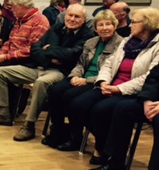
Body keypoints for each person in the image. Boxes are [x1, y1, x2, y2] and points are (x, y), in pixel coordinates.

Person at [67, 7, 159, 169]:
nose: (130, 25)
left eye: (134, 22)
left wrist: (119, 89)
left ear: (147, 24)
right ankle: (105, 145)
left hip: (131, 90)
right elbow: (109, 63)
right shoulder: (128, 40)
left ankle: (105, 152)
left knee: (100, 110)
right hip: (112, 85)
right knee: (78, 104)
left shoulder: (158, 46)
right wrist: (103, 81)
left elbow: (148, 78)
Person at [0, 4, 93, 141]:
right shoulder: (56, 28)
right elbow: (35, 48)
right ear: (65, 16)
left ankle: (29, 125)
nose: (72, 19)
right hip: (39, 67)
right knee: (0, 72)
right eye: (70, 15)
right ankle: (4, 113)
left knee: (41, 82)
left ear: (83, 20)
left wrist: (49, 49)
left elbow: (72, 54)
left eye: (77, 17)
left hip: (60, 72)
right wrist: (50, 57)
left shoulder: (87, 35)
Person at [44, 10, 123, 150]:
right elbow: (80, 64)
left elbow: (113, 71)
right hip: (82, 77)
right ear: (95, 28)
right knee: (55, 90)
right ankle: (58, 131)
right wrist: (75, 76)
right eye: (100, 25)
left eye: (108, 24)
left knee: (70, 96)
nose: (104, 28)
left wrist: (86, 81)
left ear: (115, 26)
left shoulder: (121, 44)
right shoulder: (91, 42)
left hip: (99, 81)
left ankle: (76, 137)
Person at [0, 0, 49, 104]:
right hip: (13, 57)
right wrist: (0, 55)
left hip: (28, 60)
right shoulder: (20, 20)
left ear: (22, 6)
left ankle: (9, 104)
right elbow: (9, 42)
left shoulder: (40, 21)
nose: (12, 10)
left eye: (14, 7)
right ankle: (16, 97)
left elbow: (32, 49)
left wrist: (6, 57)